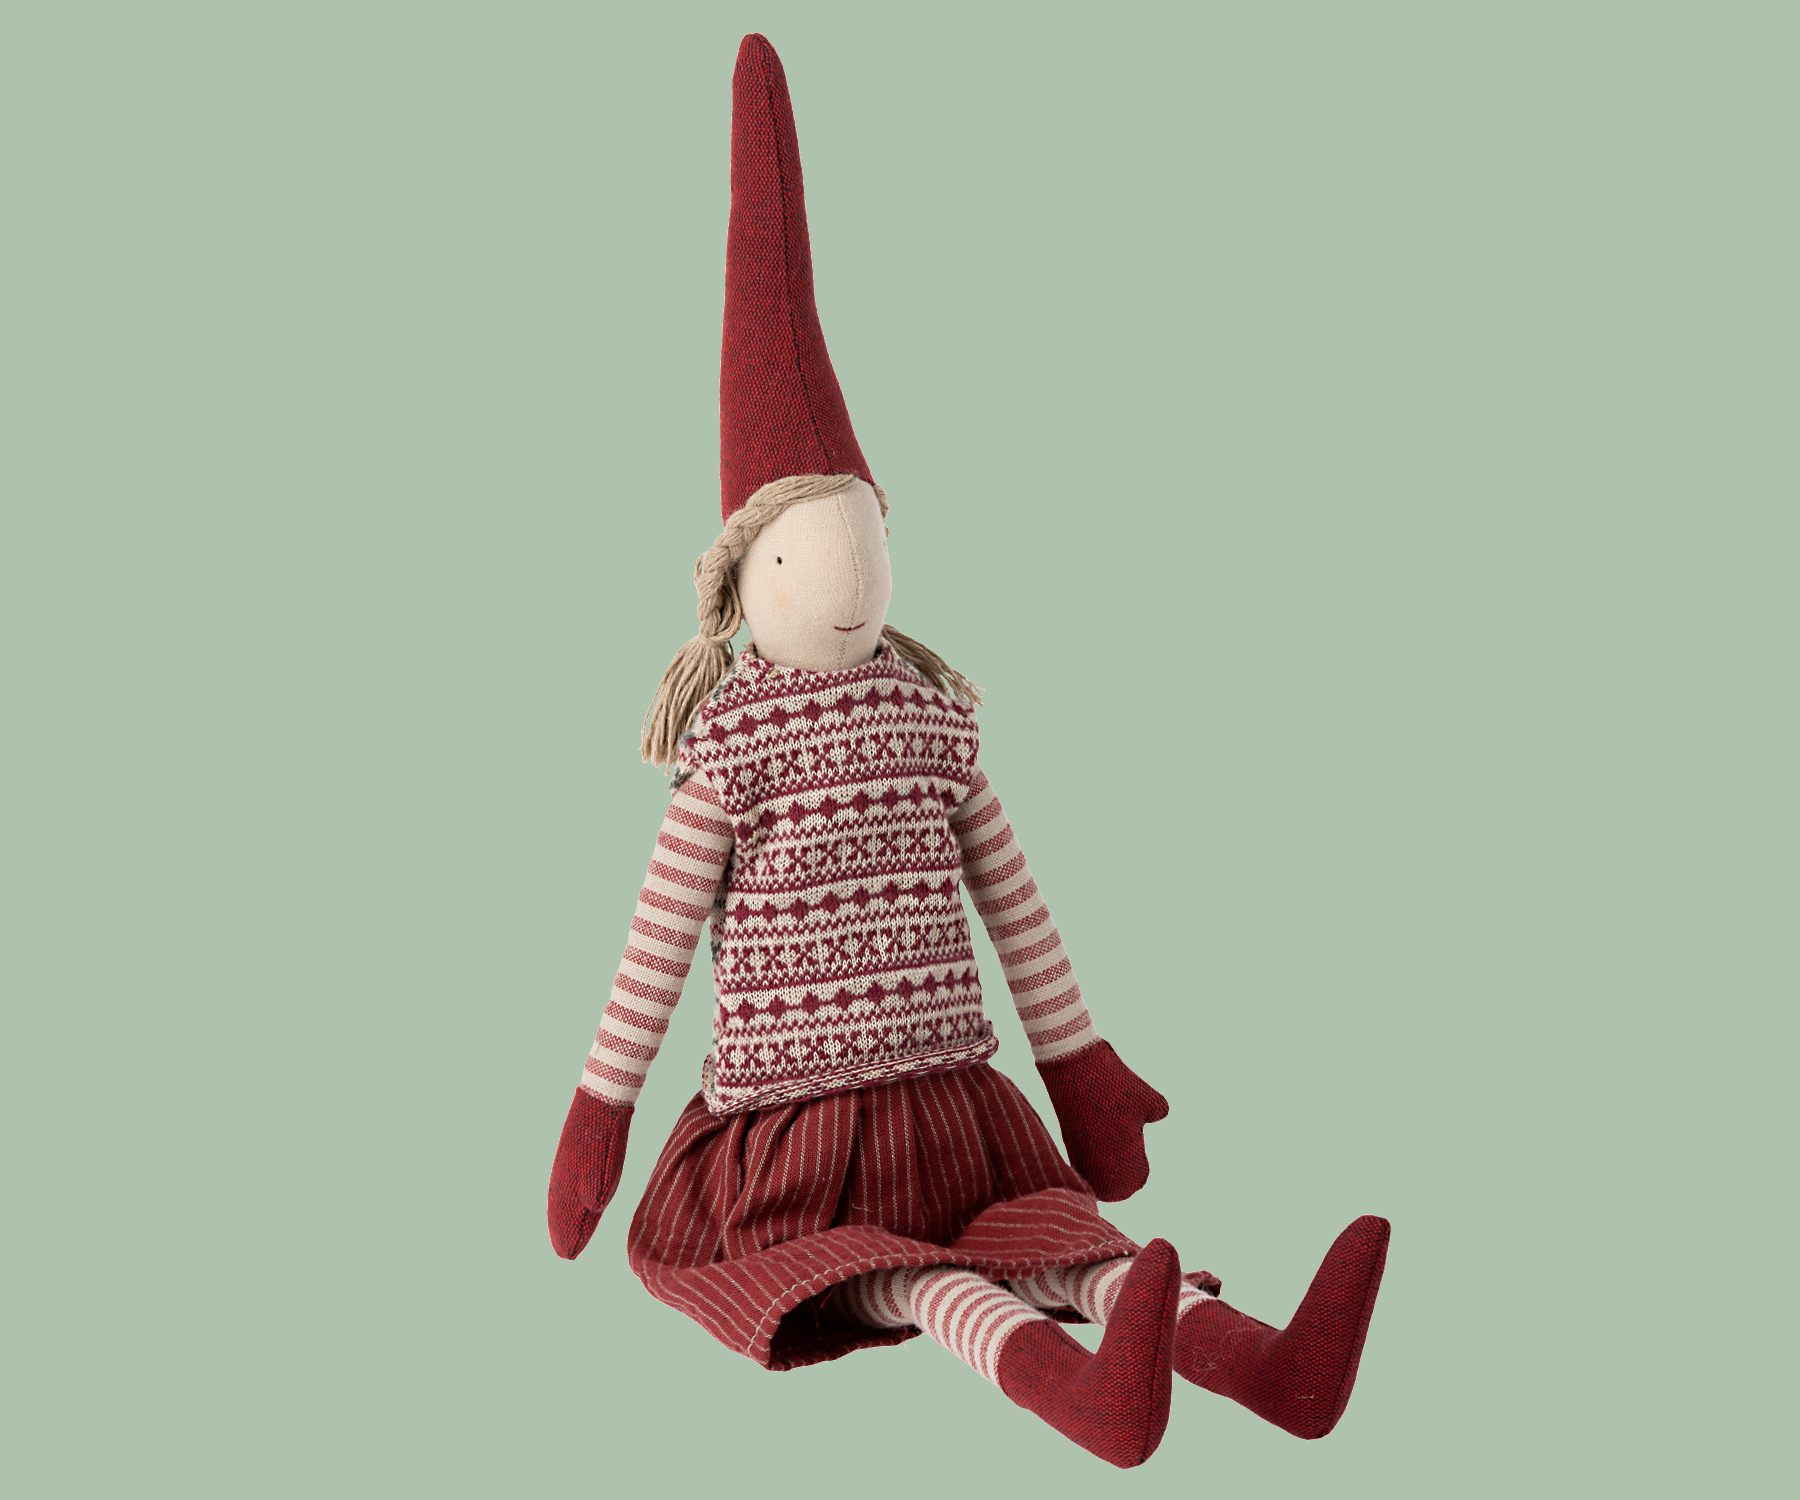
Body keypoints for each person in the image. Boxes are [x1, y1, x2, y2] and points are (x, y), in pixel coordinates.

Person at [547, 34, 1389, 1469]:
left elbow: (1013, 899)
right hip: (799, 1136)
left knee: (1047, 1241)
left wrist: (1079, 1066)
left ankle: (1269, 1367)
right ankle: (1092, 1393)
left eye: (863, 546)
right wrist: (601, 1107)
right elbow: (661, 933)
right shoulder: (737, 739)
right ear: (746, 577)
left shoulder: (930, 720)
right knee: (911, 1272)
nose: (850, 583)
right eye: (815, 553)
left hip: (952, 1103)